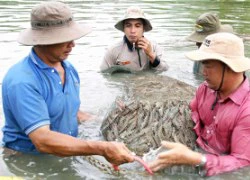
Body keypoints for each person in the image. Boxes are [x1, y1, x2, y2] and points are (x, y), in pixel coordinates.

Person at [1, 1, 134, 166]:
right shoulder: (22, 80)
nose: (72, 44)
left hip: (67, 153)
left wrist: (106, 119)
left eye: (72, 38)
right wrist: (102, 148)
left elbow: (71, 112)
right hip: (28, 161)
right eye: (65, 39)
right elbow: (42, 140)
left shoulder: (68, 68)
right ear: (43, 40)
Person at [149, 32, 250, 176]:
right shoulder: (204, 90)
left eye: (208, 66)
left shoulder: (246, 111)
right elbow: (193, 110)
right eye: (202, 65)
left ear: (229, 67)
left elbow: (243, 163)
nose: (203, 72)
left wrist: (197, 159)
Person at [100, 6, 168, 73]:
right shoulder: (113, 50)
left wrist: (151, 55)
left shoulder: (154, 47)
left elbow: (164, 70)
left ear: (143, 28)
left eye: (137, 26)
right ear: (124, 28)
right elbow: (104, 74)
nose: (132, 31)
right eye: (128, 26)